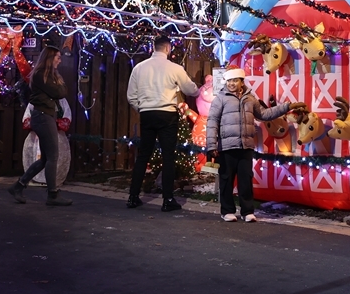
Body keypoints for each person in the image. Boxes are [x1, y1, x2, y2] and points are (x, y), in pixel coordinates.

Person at [205, 65, 301, 222]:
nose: (231, 84)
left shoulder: (250, 98)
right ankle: (227, 211)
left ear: (241, 82)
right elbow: (212, 122)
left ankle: (247, 211)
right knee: (226, 179)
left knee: (246, 179)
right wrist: (211, 145)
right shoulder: (220, 99)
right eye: (229, 80)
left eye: (235, 80)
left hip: (246, 146)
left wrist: (287, 107)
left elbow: (263, 114)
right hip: (227, 146)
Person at [125, 36, 199, 211]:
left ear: (154, 47)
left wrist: (142, 108)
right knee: (168, 156)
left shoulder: (139, 68)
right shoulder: (174, 68)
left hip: (147, 114)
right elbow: (190, 89)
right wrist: (198, 90)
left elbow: (131, 96)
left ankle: (133, 197)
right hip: (167, 114)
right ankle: (168, 200)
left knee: (143, 155)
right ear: (168, 48)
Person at [8, 46, 73, 206]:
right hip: (43, 117)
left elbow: (62, 90)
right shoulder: (40, 75)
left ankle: (18, 186)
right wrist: (60, 86)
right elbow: (60, 92)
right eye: (57, 57)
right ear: (49, 58)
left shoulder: (49, 75)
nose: (60, 60)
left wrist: (60, 86)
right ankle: (52, 195)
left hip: (46, 116)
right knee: (52, 156)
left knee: (45, 158)